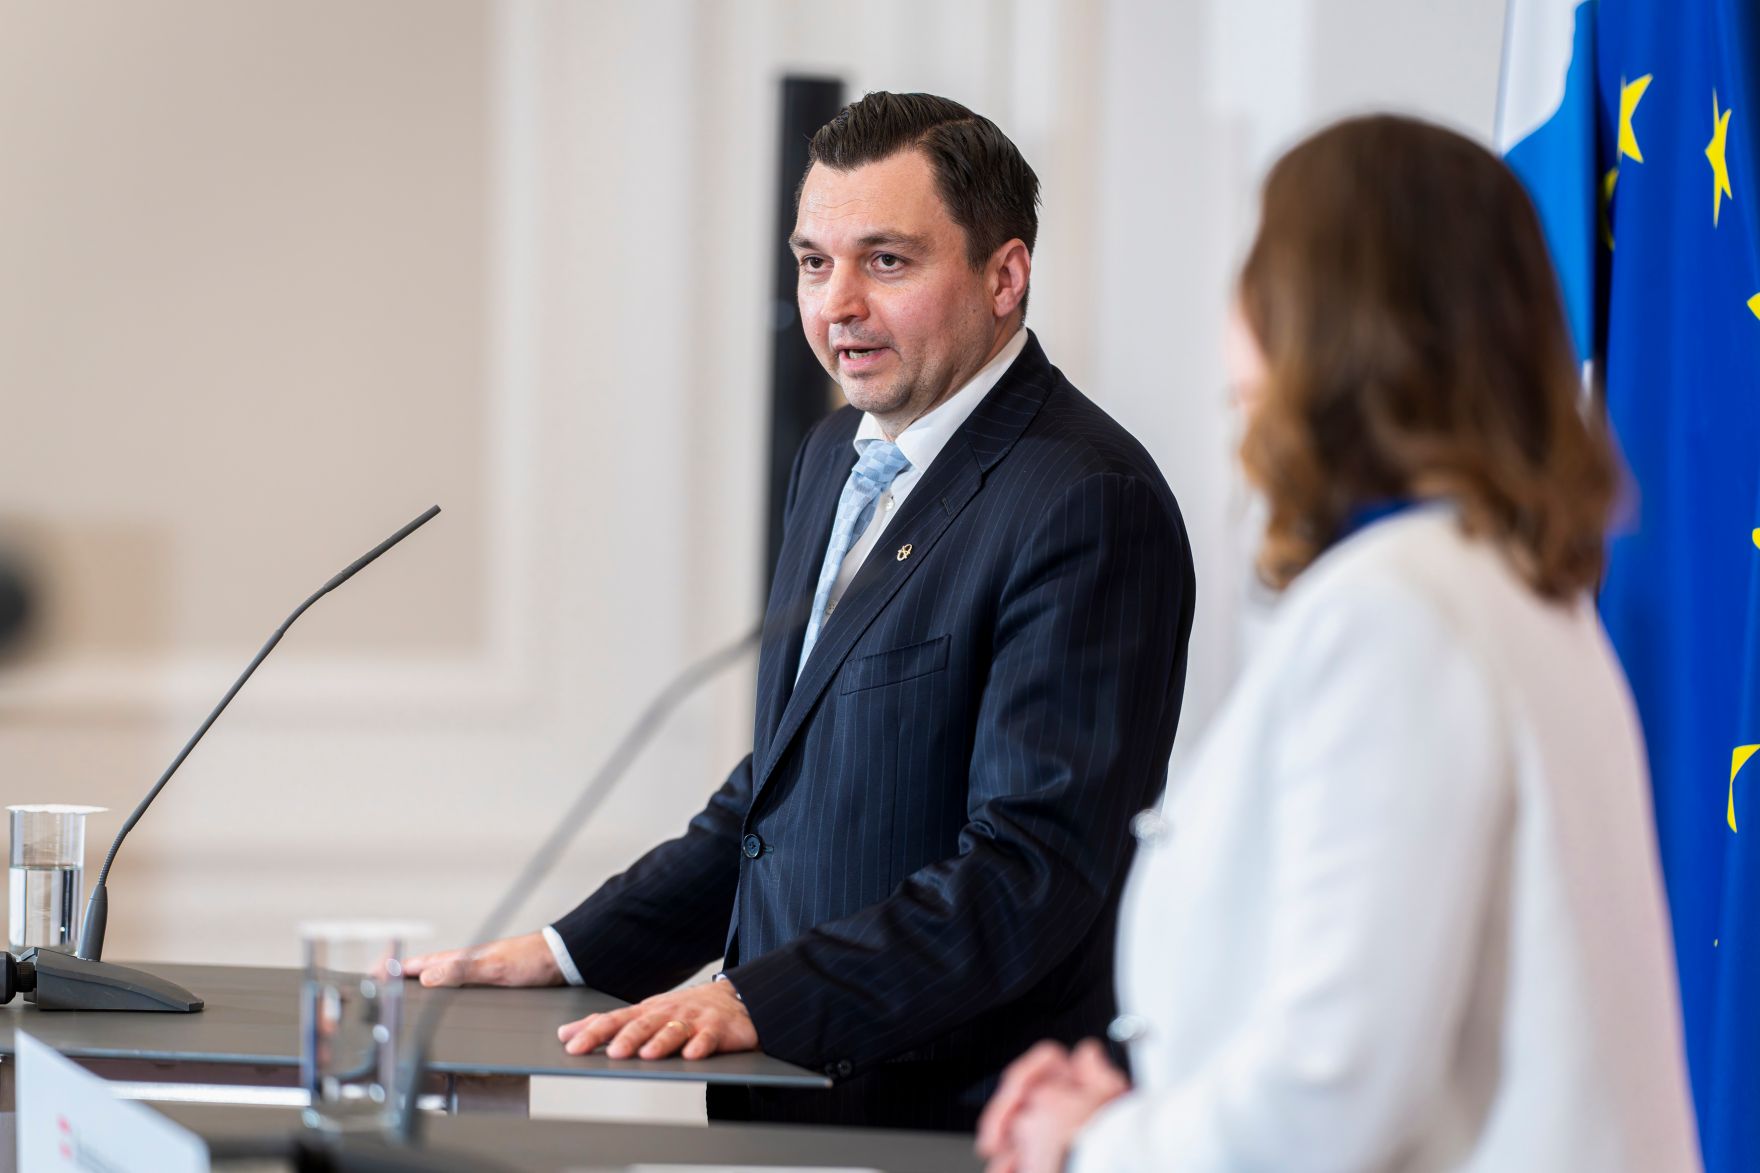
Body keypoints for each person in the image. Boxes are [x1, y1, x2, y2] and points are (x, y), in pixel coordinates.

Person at [406, 91, 1197, 1131]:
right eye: (813, 261)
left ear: (1004, 276)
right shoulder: (835, 457)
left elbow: (1030, 870)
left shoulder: (1083, 499)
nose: (835, 307)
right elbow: (780, 798)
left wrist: (760, 996)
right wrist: (570, 953)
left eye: (886, 261)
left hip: (950, 1119)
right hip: (782, 1098)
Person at [977, 114, 1701, 1172]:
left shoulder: (1397, 615)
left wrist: (1101, 1144)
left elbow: (1336, 1084)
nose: (1230, 320)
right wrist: (1148, 1095)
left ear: (1331, 316)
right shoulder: (1514, 597)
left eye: (1257, 263)